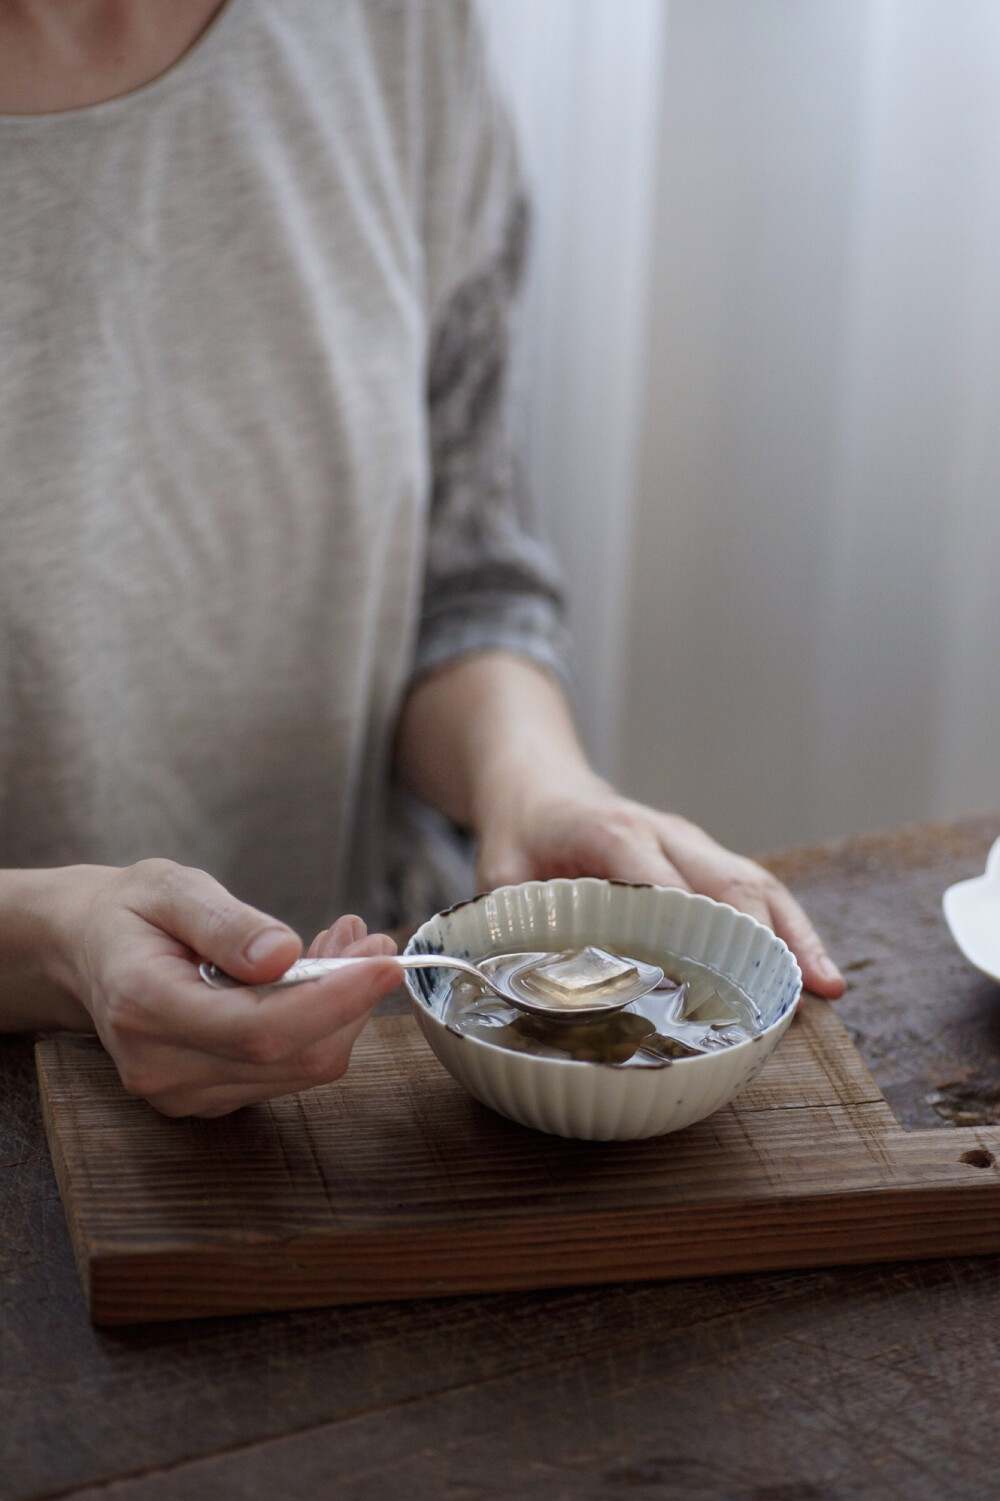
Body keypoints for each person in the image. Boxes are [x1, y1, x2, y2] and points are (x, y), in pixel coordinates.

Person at [0, 0, 843, 1118]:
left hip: (378, 1077)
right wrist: (48, 944)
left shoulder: (394, 27)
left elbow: (458, 580)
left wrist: (529, 782)